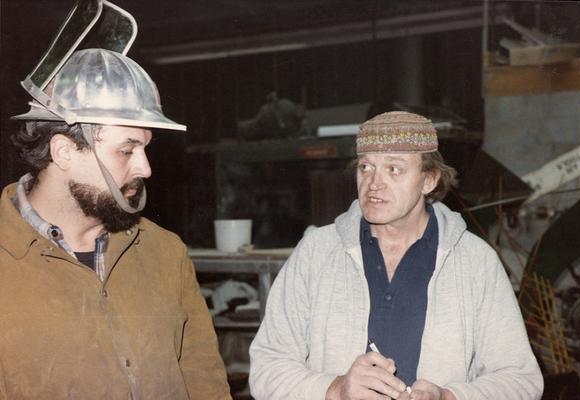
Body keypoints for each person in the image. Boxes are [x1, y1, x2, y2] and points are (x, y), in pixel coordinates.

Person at [0, 3, 230, 399]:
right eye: (127, 150)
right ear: (64, 152)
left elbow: (203, 378)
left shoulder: (165, 252)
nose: (145, 168)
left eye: (145, 149)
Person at [249, 111, 543, 400]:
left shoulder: (475, 262)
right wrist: (335, 390)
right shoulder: (316, 253)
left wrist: (449, 397)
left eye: (394, 169)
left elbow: (520, 380)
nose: (374, 183)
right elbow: (266, 368)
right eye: (365, 167)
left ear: (429, 180)